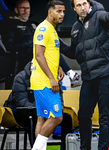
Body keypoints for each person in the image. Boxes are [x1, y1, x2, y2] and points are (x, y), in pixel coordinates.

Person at [59, 0, 109, 149]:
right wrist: (57, 43)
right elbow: (74, 52)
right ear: (74, 8)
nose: (82, 7)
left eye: (84, 3)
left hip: (108, 71)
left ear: (89, 3)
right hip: (89, 76)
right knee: (83, 115)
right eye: (78, 5)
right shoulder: (76, 28)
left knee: (105, 117)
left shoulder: (99, 15)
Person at [1, 0, 82, 89]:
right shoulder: (10, 25)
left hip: (39, 58)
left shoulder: (33, 24)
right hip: (23, 59)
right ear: (16, 10)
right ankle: (71, 74)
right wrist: (33, 42)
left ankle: (71, 74)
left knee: (51, 46)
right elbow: (9, 47)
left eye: (28, 8)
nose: (26, 11)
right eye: (23, 8)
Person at [3, 61, 73, 149]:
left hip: (45, 111)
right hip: (21, 112)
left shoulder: (53, 79)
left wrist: (53, 112)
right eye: (33, 66)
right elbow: (22, 102)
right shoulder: (21, 78)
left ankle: (66, 148)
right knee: (33, 118)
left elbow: (60, 102)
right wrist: (42, 110)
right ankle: (36, 147)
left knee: (67, 118)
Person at [30, 1, 66, 150]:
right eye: (58, 11)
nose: (62, 14)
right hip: (45, 81)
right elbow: (38, 55)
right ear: (50, 12)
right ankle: (36, 149)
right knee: (57, 117)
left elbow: (46, 53)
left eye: (63, 11)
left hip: (44, 80)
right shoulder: (43, 28)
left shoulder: (52, 29)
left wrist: (57, 66)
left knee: (42, 118)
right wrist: (52, 78)